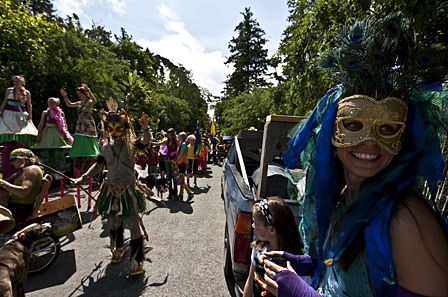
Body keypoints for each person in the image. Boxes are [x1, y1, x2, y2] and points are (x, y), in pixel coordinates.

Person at [262, 13, 448, 297]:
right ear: (330, 136)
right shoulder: (346, 199)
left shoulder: (406, 222)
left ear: (403, 138)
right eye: (353, 125)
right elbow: (343, 275)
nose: (370, 142)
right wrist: (305, 265)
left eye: (387, 128)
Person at [73, 98, 151, 275]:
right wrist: (84, 177)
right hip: (111, 189)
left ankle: (136, 260)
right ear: (106, 129)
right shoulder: (105, 147)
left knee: (132, 223)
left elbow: (146, 141)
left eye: (118, 128)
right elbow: (99, 165)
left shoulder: (132, 145)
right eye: (110, 129)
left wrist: (146, 127)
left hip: (128, 190)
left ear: (125, 128)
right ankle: (118, 248)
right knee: (113, 223)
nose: (114, 132)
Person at [243, 197, 305, 297]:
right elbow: (250, 281)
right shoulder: (259, 249)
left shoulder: (293, 263)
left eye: (256, 223)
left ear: (272, 230)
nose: (253, 226)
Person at [60, 83, 100, 208]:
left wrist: (90, 90)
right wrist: (65, 97)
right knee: (80, 137)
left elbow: (95, 100)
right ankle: (80, 152)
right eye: (78, 94)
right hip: (80, 124)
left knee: (87, 137)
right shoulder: (80, 102)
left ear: (85, 93)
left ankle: (90, 152)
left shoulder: (88, 101)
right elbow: (69, 104)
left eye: (80, 94)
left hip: (88, 123)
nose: (79, 96)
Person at [0, 75, 38, 179]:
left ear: (22, 83)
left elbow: (29, 104)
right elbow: (5, 101)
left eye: (17, 81)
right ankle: (7, 174)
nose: (15, 83)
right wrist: (1, 110)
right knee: (7, 144)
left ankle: (21, 172)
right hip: (9, 114)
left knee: (21, 143)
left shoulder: (26, 92)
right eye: (14, 81)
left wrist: (30, 115)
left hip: (21, 116)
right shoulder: (9, 90)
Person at [33, 97, 73, 197]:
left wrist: (66, 135)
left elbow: (64, 125)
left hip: (57, 134)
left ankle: (60, 177)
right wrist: (39, 135)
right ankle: (47, 176)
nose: (51, 104)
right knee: (46, 154)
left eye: (53, 103)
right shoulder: (45, 112)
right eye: (49, 102)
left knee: (58, 154)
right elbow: (41, 123)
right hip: (47, 133)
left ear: (57, 104)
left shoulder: (61, 113)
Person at [0, 149, 43, 224]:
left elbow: (23, 192)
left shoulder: (32, 169)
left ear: (22, 158)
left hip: (20, 208)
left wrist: (3, 183)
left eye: (13, 160)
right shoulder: (26, 170)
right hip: (17, 206)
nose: (11, 163)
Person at [151, 128, 178, 199]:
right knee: (168, 177)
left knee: (174, 177)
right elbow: (158, 144)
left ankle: (175, 193)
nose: (169, 135)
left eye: (170, 134)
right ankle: (170, 193)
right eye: (168, 134)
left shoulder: (177, 141)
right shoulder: (166, 140)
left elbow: (181, 149)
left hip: (174, 160)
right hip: (167, 160)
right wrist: (150, 142)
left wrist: (175, 152)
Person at [174, 132, 194, 201]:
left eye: (178, 136)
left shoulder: (183, 144)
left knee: (181, 180)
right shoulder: (181, 144)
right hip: (181, 163)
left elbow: (181, 153)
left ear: (182, 137)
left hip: (182, 163)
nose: (177, 137)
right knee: (181, 179)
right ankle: (181, 194)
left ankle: (190, 193)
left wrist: (176, 161)